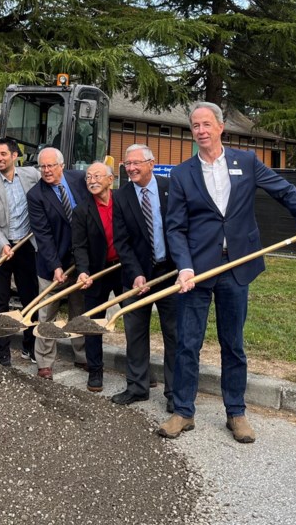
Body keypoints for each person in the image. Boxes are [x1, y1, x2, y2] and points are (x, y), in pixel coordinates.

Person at [160, 102, 296, 443]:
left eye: (206, 124)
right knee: (188, 343)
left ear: (220, 127)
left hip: (237, 267)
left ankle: (236, 412)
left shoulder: (246, 162)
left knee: (233, 344)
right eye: (195, 126)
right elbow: (174, 227)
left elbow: (284, 190)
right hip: (198, 271)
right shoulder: (182, 173)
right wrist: (184, 266)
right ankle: (183, 412)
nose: (201, 130)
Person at [111, 144, 178, 411]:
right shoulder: (121, 196)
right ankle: (137, 387)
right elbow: (122, 241)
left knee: (173, 333)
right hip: (136, 276)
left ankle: (175, 393)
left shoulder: (171, 188)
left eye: (137, 163)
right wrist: (136, 274)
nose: (132, 168)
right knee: (135, 333)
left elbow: (181, 229)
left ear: (151, 163)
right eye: (127, 164)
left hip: (170, 273)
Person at [26, 146, 89, 379]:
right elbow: (43, 236)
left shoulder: (80, 179)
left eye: (51, 165)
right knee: (47, 313)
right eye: (42, 166)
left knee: (79, 311)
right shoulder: (36, 195)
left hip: (81, 261)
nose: (46, 170)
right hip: (52, 263)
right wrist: (55, 266)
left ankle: (82, 356)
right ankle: (44, 362)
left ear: (61, 166)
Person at [0, 137, 41, 367]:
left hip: (26, 245)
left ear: (15, 156)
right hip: (0, 250)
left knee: (30, 299)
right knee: (0, 301)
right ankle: (3, 352)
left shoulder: (31, 176)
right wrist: (3, 244)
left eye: (3, 154)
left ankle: (30, 345)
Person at [71, 161, 124, 393]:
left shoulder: (123, 201)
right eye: (88, 177)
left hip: (123, 269)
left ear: (110, 180)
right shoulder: (81, 210)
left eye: (97, 176)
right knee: (93, 322)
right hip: (96, 272)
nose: (91, 180)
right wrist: (83, 270)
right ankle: (95, 371)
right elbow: (79, 246)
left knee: (134, 319)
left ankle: (139, 369)